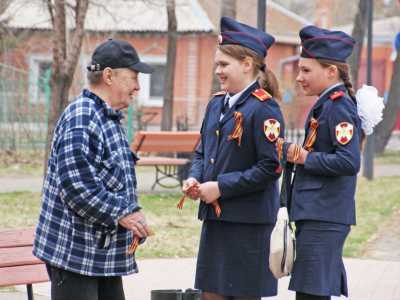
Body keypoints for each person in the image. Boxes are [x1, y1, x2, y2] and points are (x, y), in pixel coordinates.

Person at [33, 39, 153, 300]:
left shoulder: (106, 117)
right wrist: (123, 214)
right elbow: (77, 188)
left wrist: (133, 213)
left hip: (101, 257)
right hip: (75, 256)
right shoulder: (82, 117)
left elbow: (112, 182)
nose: (137, 87)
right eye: (133, 77)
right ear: (109, 76)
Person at [183, 17, 285, 300]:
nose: (218, 71)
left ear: (247, 64)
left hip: (249, 225)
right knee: (210, 295)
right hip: (217, 221)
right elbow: (203, 152)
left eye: (224, 65)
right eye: (217, 64)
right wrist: (195, 177)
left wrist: (220, 187)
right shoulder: (217, 103)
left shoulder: (264, 109)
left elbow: (271, 167)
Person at [283, 26, 362, 300]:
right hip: (318, 213)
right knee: (312, 293)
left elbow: (349, 161)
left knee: (311, 294)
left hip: (325, 215)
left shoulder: (338, 105)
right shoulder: (326, 103)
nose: (299, 77)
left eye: (306, 70)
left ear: (331, 71)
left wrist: (304, 157)